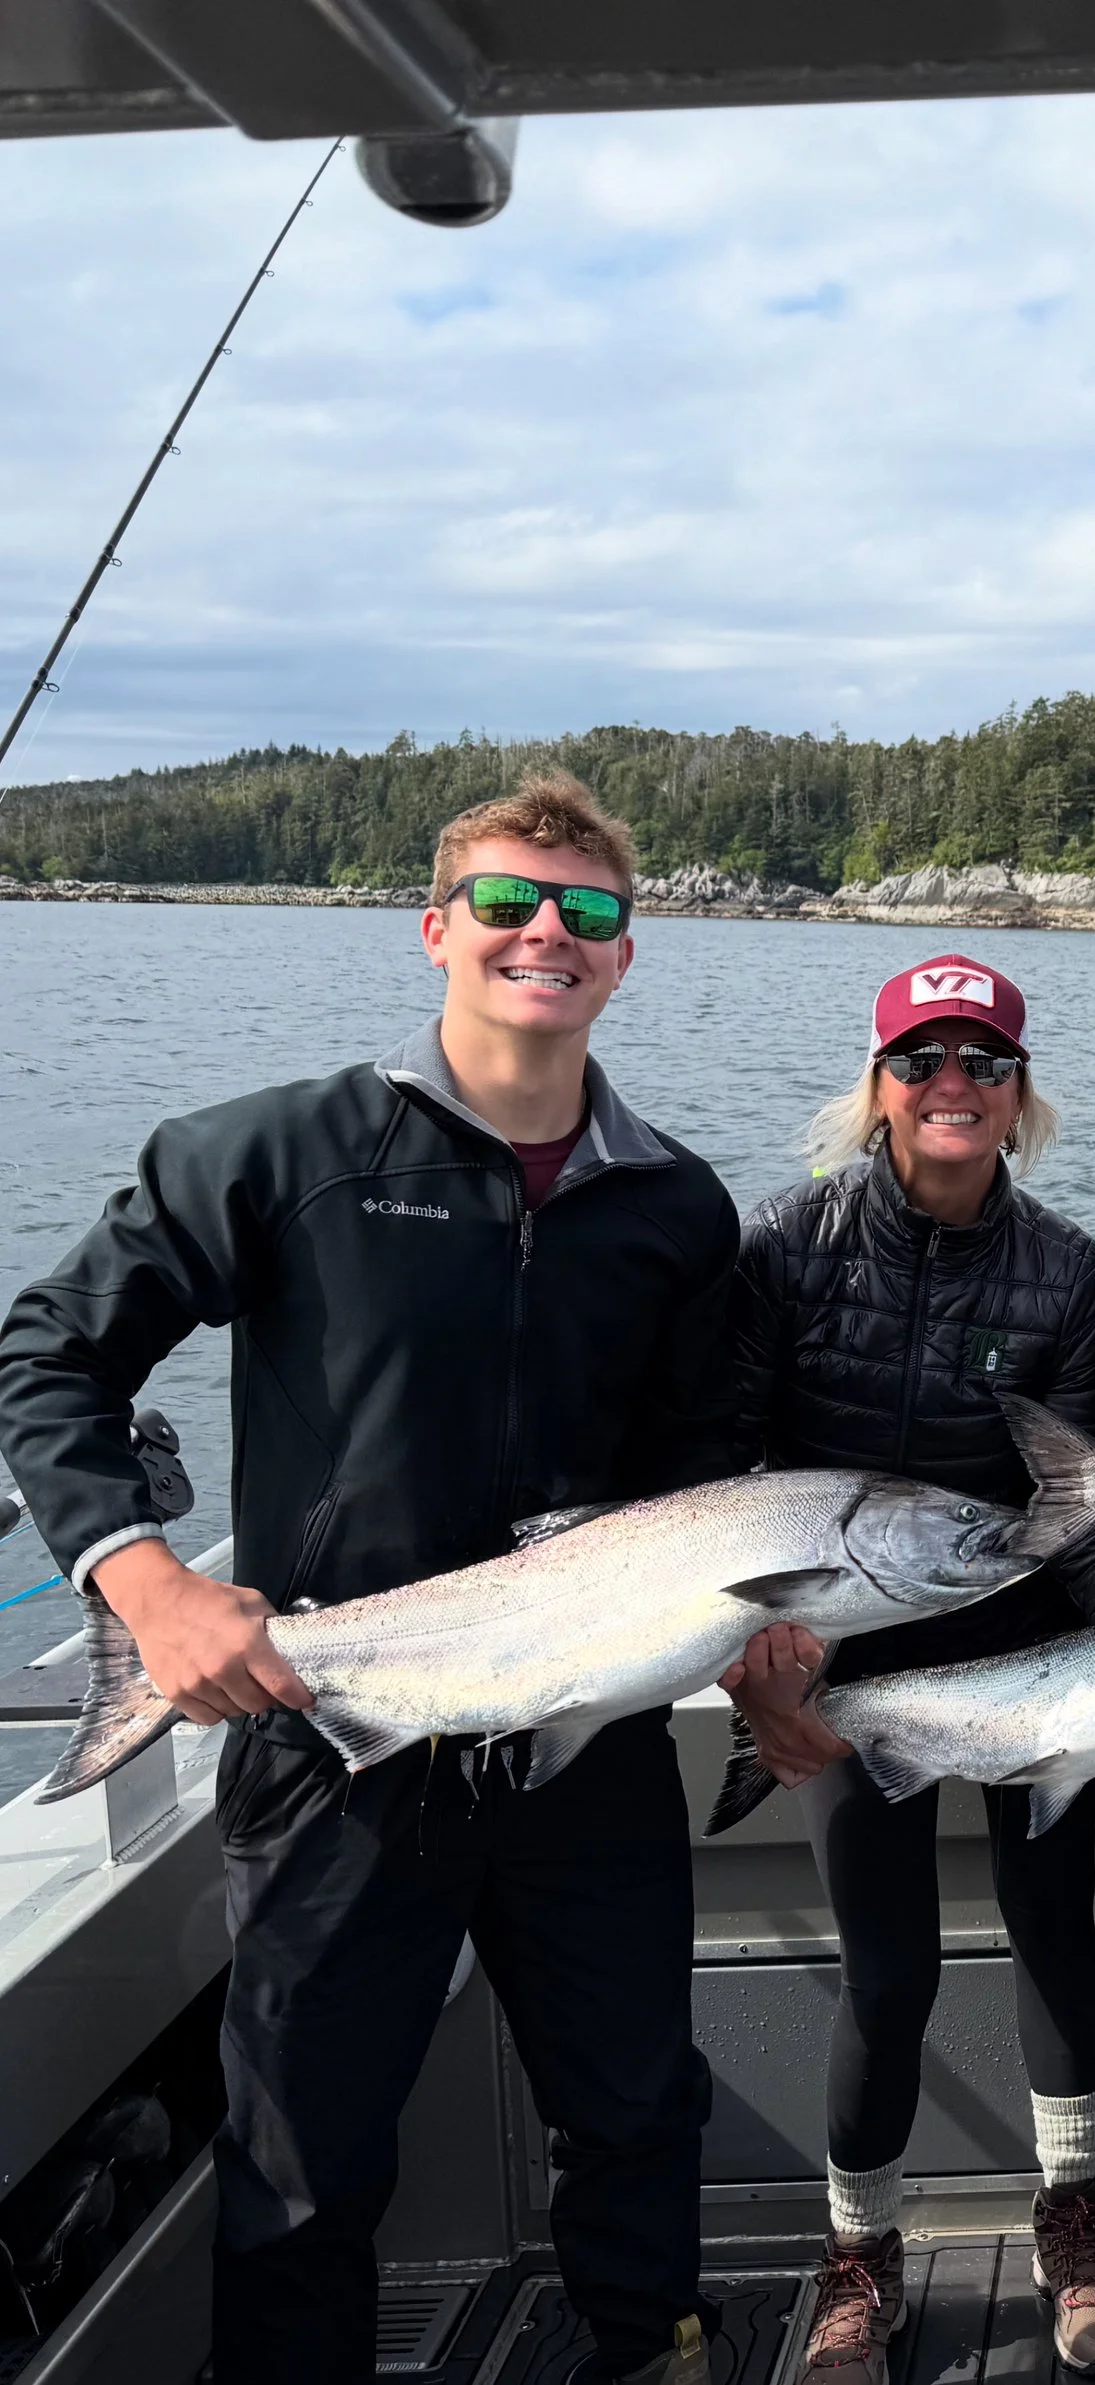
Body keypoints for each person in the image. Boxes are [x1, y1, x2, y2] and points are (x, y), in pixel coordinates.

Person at [0, 777, 740, 2385]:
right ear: (436, 929)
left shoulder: (680, 1208)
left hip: (586, 1736)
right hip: (332, 1739)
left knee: (638, 2107)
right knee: (302, 2156)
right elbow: (46, 1354)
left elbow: (706, 1465)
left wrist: (768, 1625)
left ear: (626, 954)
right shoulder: (277, 1153)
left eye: (588, 911)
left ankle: (654, 2353)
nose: (546, 933)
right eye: (508, 903)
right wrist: (146, 1583)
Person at [721, 953, 1095, 2385]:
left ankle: (1074, 2218)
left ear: (1020, 1095)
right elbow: (720, 1483)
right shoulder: (784, 1246)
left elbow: (1076, 1511)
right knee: (889, 1971)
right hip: (841, 1673)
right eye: (922, 1060)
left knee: (1054, 1929)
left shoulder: (1061, 1269)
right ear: (879, 1086)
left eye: (985, 1061)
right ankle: (860, 2253)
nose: (953, 1085)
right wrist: (756, 1673)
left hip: (1027, 1654)